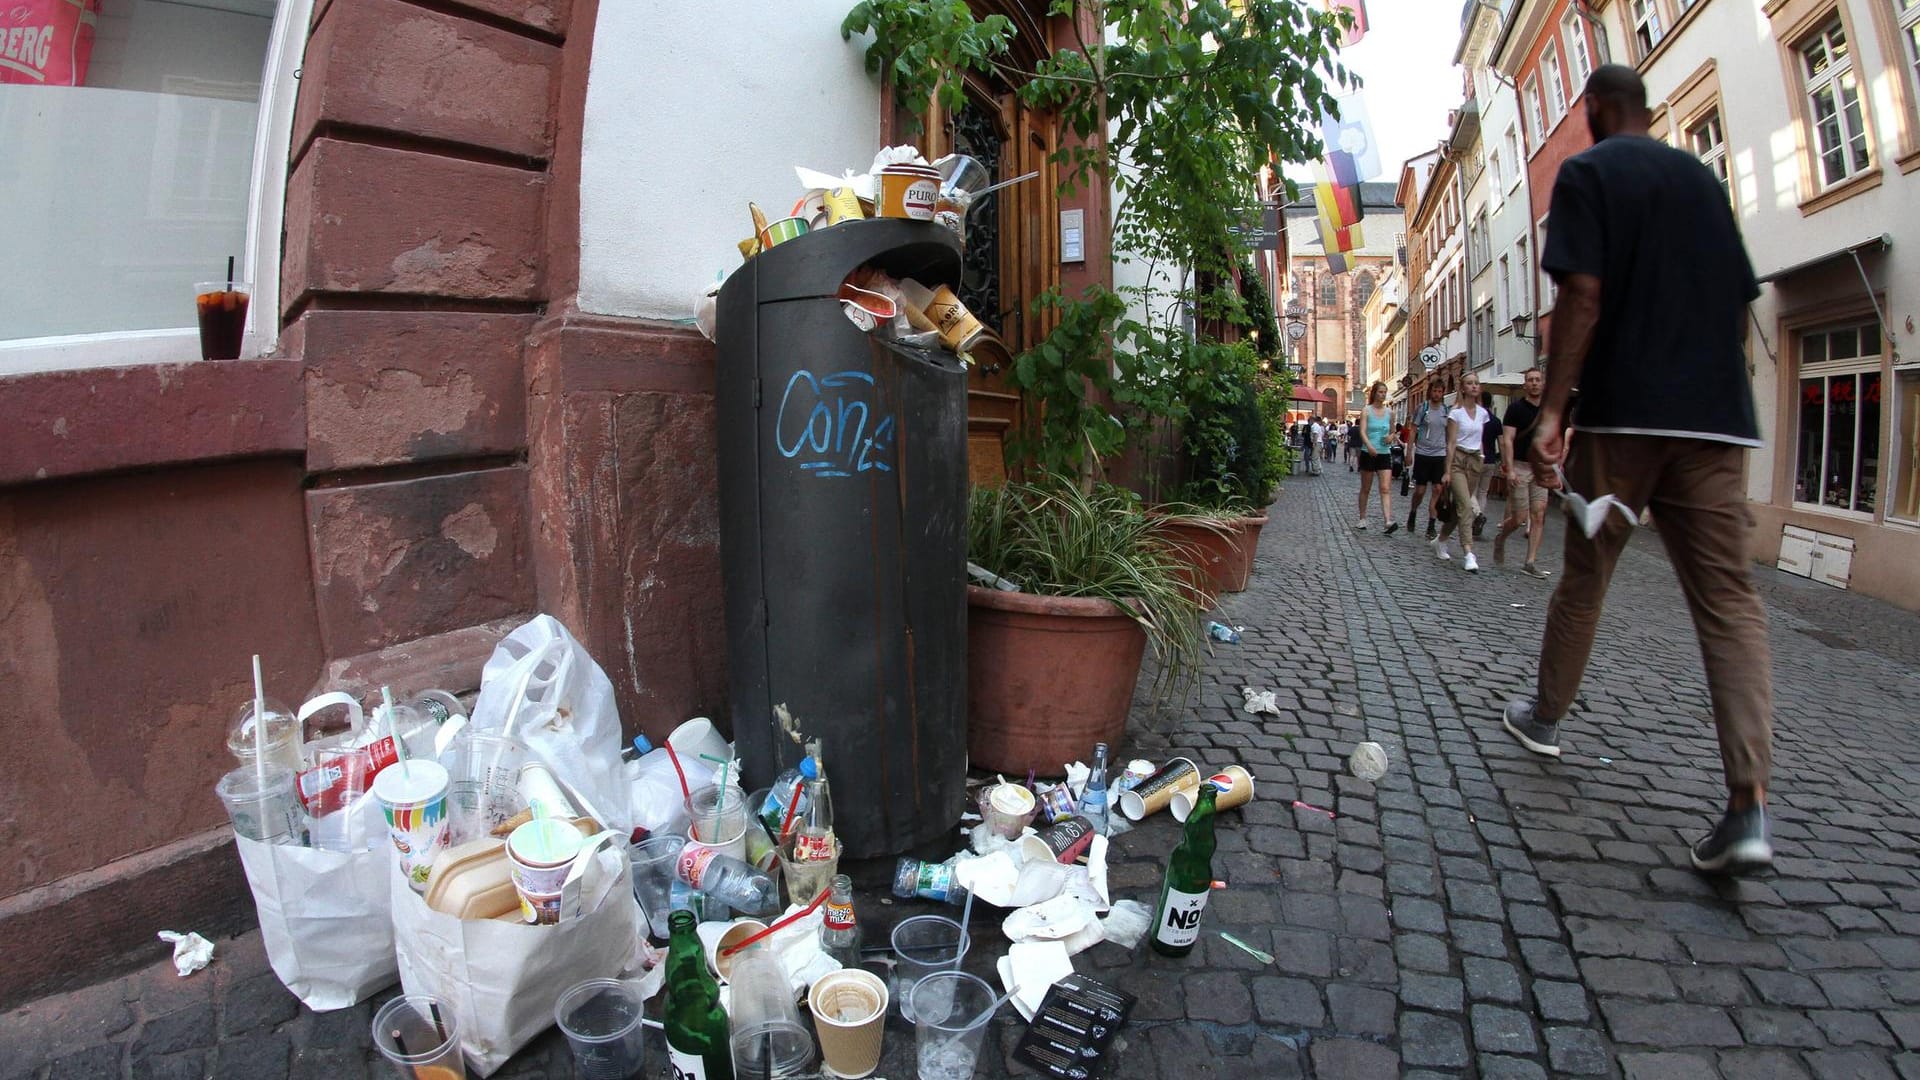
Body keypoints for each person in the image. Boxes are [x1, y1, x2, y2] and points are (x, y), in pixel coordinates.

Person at [1500, 65, 1774, 875]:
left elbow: (1582, 293)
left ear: (1592, 112)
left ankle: (1545, 717)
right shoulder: (1704, 180)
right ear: (1650, 112)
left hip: (1625, 419)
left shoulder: (1588, 173)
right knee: (1730, 600)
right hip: (1717, 422)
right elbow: (1736, 297)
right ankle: (1748, 806)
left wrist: (1553, 410)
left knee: (1587, 574)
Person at [1495, 367, 1554, 578]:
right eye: (1531, 380)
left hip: (1540, 469)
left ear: (1543, 383)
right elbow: (1508, 440)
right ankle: (1501, 538)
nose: (1535, 383)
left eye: (1538, 380)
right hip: (1520, 466)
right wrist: (1509, 469)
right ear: (1525, 385)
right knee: (1519, 517)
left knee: (1538, 514)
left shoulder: (1549, 410)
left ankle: (1530, 562)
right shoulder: (1515, 410)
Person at [1430, 373, 1491, 571]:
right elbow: (1451, 443)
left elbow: (1480, 438)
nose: (1474, 386)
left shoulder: (1483, 413)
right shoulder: (1456, 413)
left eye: (1476, 383)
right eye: (1469, 384)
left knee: (1459, 510)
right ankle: (1468, 553)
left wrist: (1481, 457)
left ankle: (1441, 540)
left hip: (1474, 462)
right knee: (1466, 505)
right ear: (1462, 388)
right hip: (1457, 461)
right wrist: (1447, 470)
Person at [1404, 381, 1449, 537]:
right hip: (1423, 454)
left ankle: (1431, 524)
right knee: (1420, 491)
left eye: (1439, 391)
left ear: (1443, 393)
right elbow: (1413, 431)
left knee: (1437, 489)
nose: (1437, 394)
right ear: (1430, 392)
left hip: (1440, 454)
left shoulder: (1446, 410)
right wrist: (1409, 452)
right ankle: (1413, 511)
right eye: (1434, 391)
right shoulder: (1423, 409)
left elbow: (1450, 434)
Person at [1354, 382, 1399, 533]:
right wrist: (1369, 446)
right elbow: (1363, 431)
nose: (1383, 395)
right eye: (1380, 392)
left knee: (1385, 488)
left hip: (1384, 453)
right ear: (1374, 393)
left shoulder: (1390, 413)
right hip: (1369, 452)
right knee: (1366, 488)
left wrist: (1391, 437)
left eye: (1384, 392)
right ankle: (1362, 518)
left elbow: (1394, 431)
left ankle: (1387, 521)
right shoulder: (1366, 411)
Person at [1474, 390, 1504, 540]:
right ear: (1491, 403)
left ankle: (1477, 515)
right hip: (1491, 460)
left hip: (1476, 458)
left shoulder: (1477, 419)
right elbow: (1502, 443)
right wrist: (1504, 462)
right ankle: (1479, 515)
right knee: (1483, 493)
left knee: (1471, 492)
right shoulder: (1496, 421)